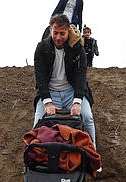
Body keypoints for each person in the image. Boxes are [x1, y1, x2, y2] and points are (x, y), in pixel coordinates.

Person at [33, 14, 96, 149]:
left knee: (87, 117)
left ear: (68, 31)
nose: (58, 37)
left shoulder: (77, 47)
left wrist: (77, 101)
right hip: (50, 93)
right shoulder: (41, 48)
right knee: (38, 121)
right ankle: (35, 156)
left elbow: (81, 75)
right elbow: (40, 77)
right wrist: (47, 102)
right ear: (50, 30)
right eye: (55, 33)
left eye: (62, 33)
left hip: (72, 92)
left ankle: (93, 153)